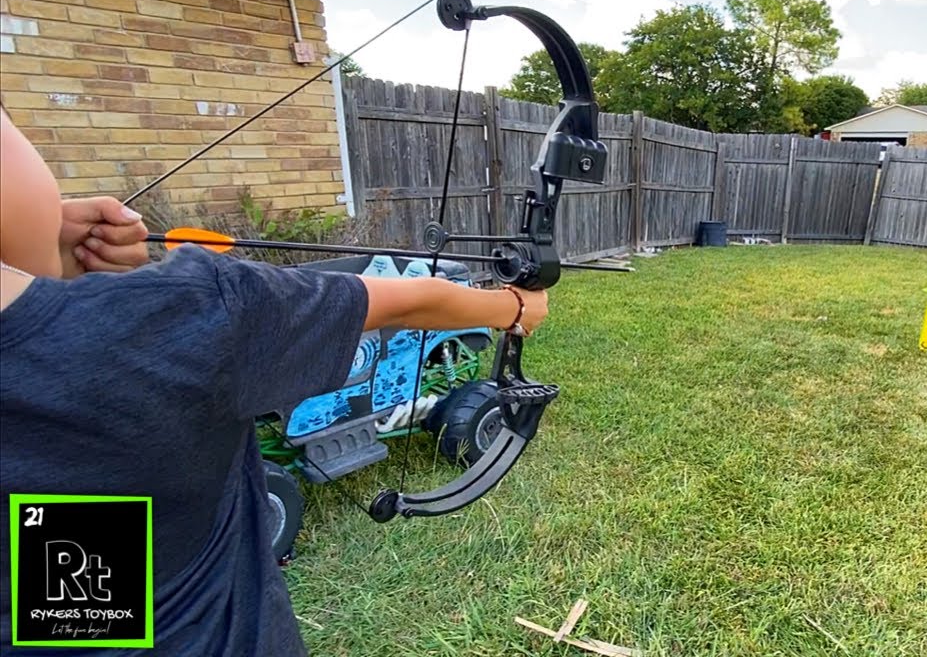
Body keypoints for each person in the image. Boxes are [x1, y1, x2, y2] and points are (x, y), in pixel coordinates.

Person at [0, 106, 548, 655]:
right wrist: (513, 305)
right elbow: (413, 300)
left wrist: (40, 256)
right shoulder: (195, 311)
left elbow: (70, 590)